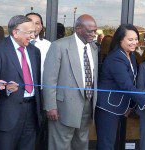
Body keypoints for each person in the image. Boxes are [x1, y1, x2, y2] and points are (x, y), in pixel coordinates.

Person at [95, 24, 145, 150]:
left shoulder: (131, 54)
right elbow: (127, 86)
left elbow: (133, 81)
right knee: (106, 145)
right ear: (120, 40)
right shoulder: (116, 58)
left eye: (136, 39)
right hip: (108, 109)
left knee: (117, 144)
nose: (134, 42)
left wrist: (130, 106)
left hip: (121, 108)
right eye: (130, 39)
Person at [43, 14, 98, 150]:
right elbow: (49, 78)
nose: (94, 34)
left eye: (95, 30)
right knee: (60, 145)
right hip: (63, 108)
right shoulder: (59, 46)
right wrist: (50, 106)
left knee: (81, 142)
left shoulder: (93, 48)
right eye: (90, 31)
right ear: (78, 29)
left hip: (87, 104)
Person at [0, 15, 42, 150]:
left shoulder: (35, 51)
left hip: (31, 113)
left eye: (34, 32)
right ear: (15, 32)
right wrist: (5, 88)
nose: (32, 36)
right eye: (29, 32)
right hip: (7, 116)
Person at [26, 12, 51, 80]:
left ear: (41, 27)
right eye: (30, 22)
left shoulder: (48, 45)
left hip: (41, 87)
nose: (33, 26)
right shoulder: (16, 44)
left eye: (37, 23)